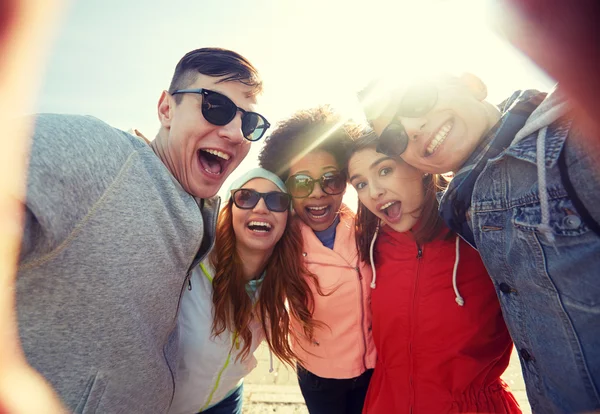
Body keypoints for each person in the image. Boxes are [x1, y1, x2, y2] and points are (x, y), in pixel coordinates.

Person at [16, 47, 270, 413]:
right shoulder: (102, 154)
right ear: (166, 109)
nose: (233, 132)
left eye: (250, 123)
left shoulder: (202, 215)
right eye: (216, 106)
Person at [359, 73, 600, 413]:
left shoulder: (574, 135)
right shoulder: (463, 208)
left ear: (472, 85)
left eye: (416, 101)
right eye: (395, 136)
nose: (411, 129)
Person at [345, 132, 520, 413]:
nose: (374, 191)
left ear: (421, 168)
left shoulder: (484, 235)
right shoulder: (368, 246)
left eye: (385, 170)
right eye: (361, 184)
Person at [170, 167, 322, 414]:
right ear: (230, 210)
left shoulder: (283, 279)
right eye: (246, 197)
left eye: (276, 201)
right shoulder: (193, 263)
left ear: (287, 217)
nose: (261, 208)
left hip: (226, 401)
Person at [258, 107, 376, 414]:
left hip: (375, 370)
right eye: (301, 183)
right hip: (318, 377)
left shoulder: (370, 229)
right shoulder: (278, 242)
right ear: (286, 187)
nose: (318, 193)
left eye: (331, 180)